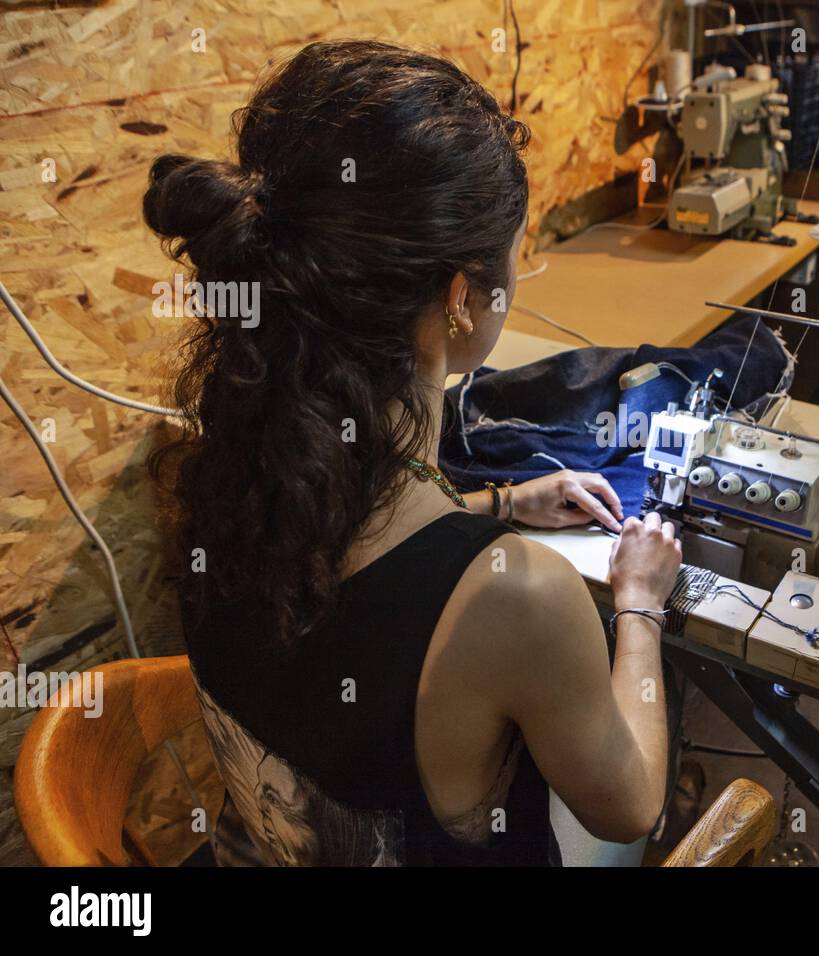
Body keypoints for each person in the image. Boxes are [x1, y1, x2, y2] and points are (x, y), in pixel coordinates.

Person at [145, 39, 682, 865]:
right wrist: (639, 606)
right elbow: (633, 804)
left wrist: (499, 503)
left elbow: (367, 577)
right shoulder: (524, 601)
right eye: (517, 252)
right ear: (462, 298)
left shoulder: (222, 475)